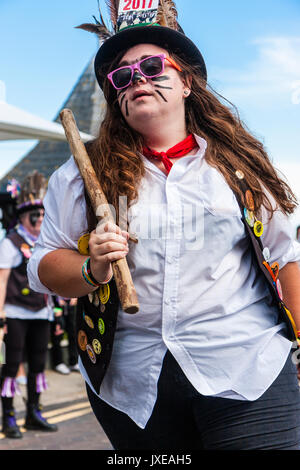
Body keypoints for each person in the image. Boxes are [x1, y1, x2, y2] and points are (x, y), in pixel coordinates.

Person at [28, 0, 300, 450]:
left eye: (153, 66)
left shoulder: (239, 166)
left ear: (186, 81)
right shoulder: (80, 175)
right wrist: (91, 267)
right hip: (131, 384)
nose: (138, 79)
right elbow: (44, 265)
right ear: (115, 94)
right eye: (123, 75)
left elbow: (287, 256)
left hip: (245, 368)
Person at [0, 171, 58, 438]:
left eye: (44, 214)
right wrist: (0, 315)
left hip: (41, 312)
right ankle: (9, 417)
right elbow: (1, 281)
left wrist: (56, 311)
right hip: (14, 312)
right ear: (23, 216)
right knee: (11, 365)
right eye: (37, 214)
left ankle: (34, 412)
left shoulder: (45, 244)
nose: (41, 220)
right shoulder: (10, 242)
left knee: (37, 364)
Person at [50, 296, 79, 374]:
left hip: (70, 304)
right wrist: (56, 303)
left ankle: (73, 362)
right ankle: (58, 363)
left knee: (73, 334)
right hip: (56, 306)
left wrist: (75, 296)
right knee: (58, 335)